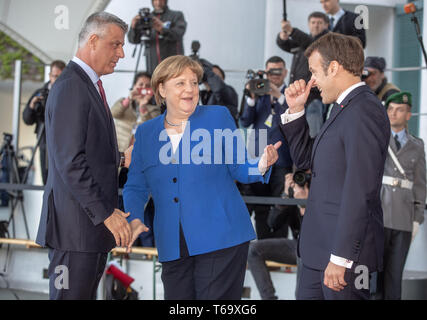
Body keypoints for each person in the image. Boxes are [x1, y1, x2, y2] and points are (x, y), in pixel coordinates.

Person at [123, 55, 281, 300]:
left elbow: (239, 167)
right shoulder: (146, 132)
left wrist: (261, 164)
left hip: (222, 237)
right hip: (172, 243)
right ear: (161, 89)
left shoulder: (218, 117)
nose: (190, 89)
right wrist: (134, 218)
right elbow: (135, 187)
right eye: (181, 83)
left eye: (194, 83)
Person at [35, 12, 144, 300]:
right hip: (75, 234)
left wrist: (120, 159)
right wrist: (106, 213)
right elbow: (69, 161)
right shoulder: (72, 86)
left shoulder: (87, 85)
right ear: (93, 40)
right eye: (116, 45)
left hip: (87, 233)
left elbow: (83, 151)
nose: (121, 53)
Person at [280, 32, 390, 300]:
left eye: (315, 72)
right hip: (318, 252)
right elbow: (309, 161)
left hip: (343, 260)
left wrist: (341, 257)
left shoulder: (365, 110)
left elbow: (360, 190)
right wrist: (295, 111)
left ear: (334, 67)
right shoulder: (342, 108)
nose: (312, 82)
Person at [377, 91, 426, 300]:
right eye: (390, 109)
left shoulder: (417, 145)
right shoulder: (377, 139)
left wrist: (417, 218)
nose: (393, 113)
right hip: (378, 214)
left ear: (409, 115)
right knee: (374, 276)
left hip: (403, 219)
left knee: (394, 277)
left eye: (400, 110)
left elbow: (420, 184)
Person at [240, 56, 294, 240]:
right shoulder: (258, 91)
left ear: (285, 72)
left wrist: (278, 95)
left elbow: (293, 115)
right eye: (270, 71)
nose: (274, 75)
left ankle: (279, 249)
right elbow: (244, 121)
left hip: (282, 159)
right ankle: (263, 247)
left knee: (281, 204)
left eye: (278, 71)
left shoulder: (291, 93)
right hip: (258, 157)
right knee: (260, 206)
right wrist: (251, 99)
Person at [248, 172, 308, 300]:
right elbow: (272, 223)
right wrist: (286, 195)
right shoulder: (293, 191)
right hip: (296, 244)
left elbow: (316, 232)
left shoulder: (322, 190)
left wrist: (305, 205)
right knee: (253, 250)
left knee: (304, 253)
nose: (301, 180)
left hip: (314, 247)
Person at [276, 12, 330, 137]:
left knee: (313, 136)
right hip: (298, 98)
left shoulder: (327, 41)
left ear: (326, 25)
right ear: (308, 24)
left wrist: (292, 31)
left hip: (314, 99)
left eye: (319, 23)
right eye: (313, 22)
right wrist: (283, 36)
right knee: (296, 136)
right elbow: (286, 45)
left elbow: (312, 44)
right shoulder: (303, 41)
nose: (316, 25)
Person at [22, 60, 66, 184]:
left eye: (60, 76)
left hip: (63, 142)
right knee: (46, 180)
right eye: (54, 76)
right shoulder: (40, 93)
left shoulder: (69, 93)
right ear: (49, 76)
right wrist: (32, 106)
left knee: (61, 179)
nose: (57, 79)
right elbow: (27, 119)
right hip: (44, 139)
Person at [127, 0, 187, 74]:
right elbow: (133, 40)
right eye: (155, 0)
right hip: (153, 69)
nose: (158, 3)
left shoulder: (176, 15)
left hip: (174, 68)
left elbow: (178, 33)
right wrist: (133, 27)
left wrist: (162, 28)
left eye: (161, 0)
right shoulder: (147, 18)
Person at [111, 71, 160, 153]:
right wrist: (129, 99)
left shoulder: (155, 110)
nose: (143, 88)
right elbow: (113, 114)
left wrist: (143, 107)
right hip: (118, 150)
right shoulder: (124, 102)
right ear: (134, 86)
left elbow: (149, 129)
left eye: (147, 86)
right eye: (140, 85)